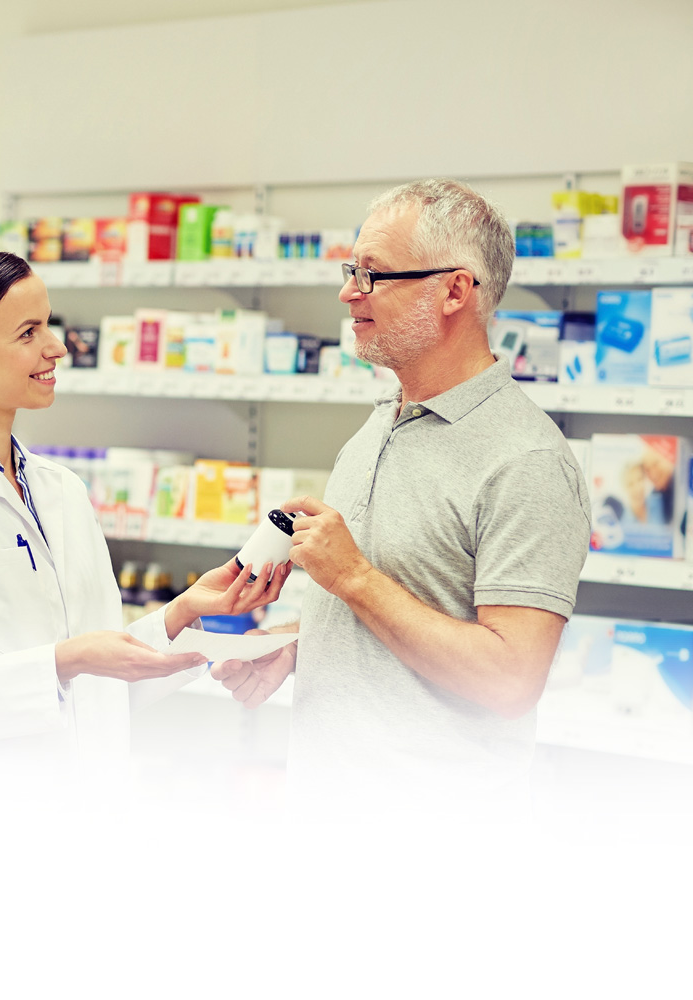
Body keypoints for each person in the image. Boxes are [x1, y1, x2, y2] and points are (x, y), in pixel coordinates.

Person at [212, 179, 591, 818]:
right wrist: (301, 644)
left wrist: (353, 577)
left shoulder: (526, 460)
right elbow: (412, 600)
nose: (348, 292)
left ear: (454, 290)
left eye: (374, 274)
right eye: (351, 270)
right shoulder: (381, 423)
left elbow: (509, 680)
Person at [0, 246, 288, 808]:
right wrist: (67, 660)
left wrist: (184, 612)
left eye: (50, 325)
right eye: (28, 332)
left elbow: (96, 681)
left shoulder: (60, 491)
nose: (56, 347)